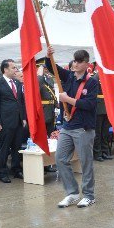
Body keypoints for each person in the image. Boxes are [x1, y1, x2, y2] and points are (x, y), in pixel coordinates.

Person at [44, 47, 98, 208]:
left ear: (86, 63)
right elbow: (53, 67)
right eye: (74, 60)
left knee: (85, 162)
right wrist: (48, 56)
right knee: (60, 158)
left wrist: (68, 99)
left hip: (83, 128)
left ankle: (89, 195)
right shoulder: (69, 76)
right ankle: (72, 193)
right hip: (67, 126)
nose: (75, 64)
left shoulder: (92, 81)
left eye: (79, 61)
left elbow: (89, 104)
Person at [0, 59, 27, 183]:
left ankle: (16, 169)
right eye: (13, 68)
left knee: (17, 147)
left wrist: (23, 118)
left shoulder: (17, 83)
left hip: (17, 121)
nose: (15, 69)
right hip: (5, 122)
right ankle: (2, 172)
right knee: (4, 148)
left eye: (16, 67)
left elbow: (20, 102)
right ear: (5, 69)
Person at [93, 71, 113, 162]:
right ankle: (98, 153)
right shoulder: (95, 77)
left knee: (105, 132)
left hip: (106, 107)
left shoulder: (107, 76)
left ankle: (105, 152)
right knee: (98, 133)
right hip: (98, 107)